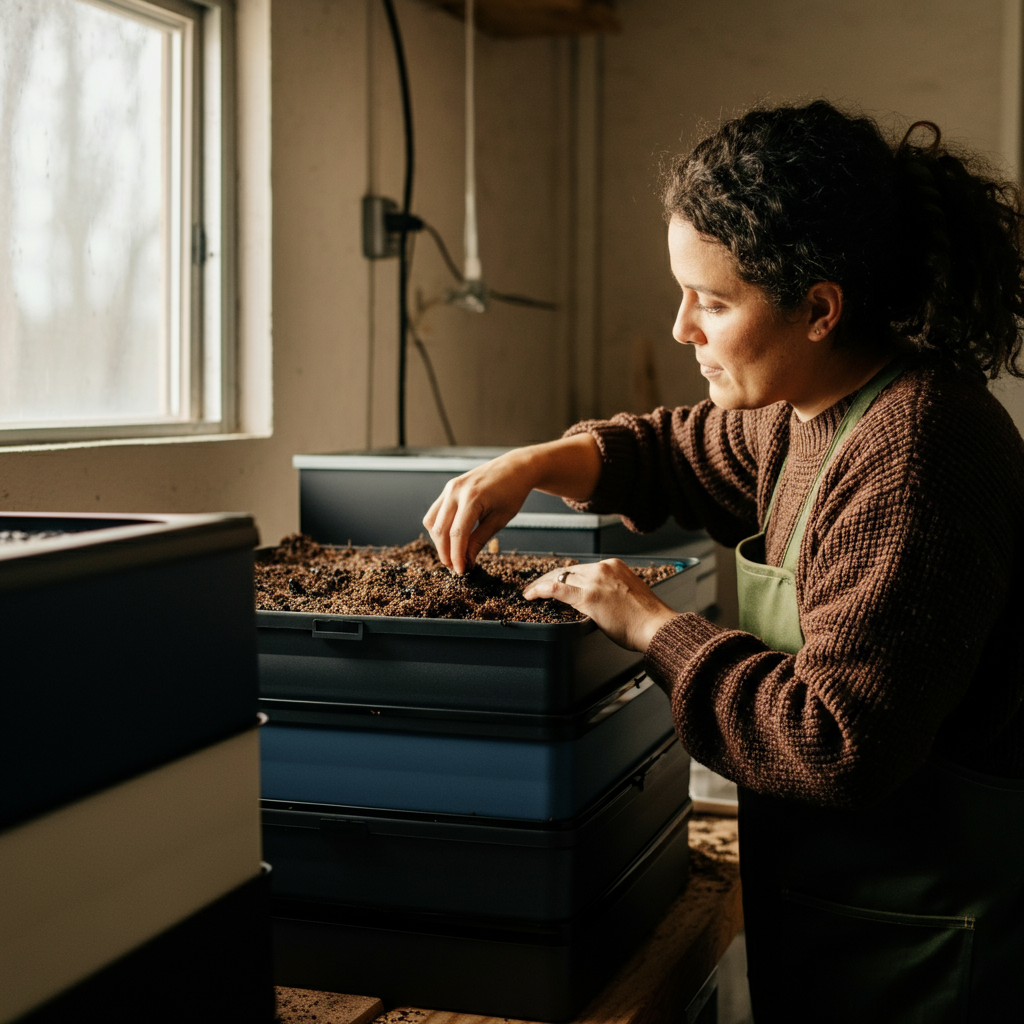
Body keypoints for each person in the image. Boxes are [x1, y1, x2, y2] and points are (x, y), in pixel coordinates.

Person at [423, 100, 1024, 1022]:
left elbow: (835, 741)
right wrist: (536, 462)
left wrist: (652, 626)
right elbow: (677, 450)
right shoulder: (812, 412)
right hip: (844, 910)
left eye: (711, 301)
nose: (681, 329)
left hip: (933, 943)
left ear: (820, 306)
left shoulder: (915, 453)